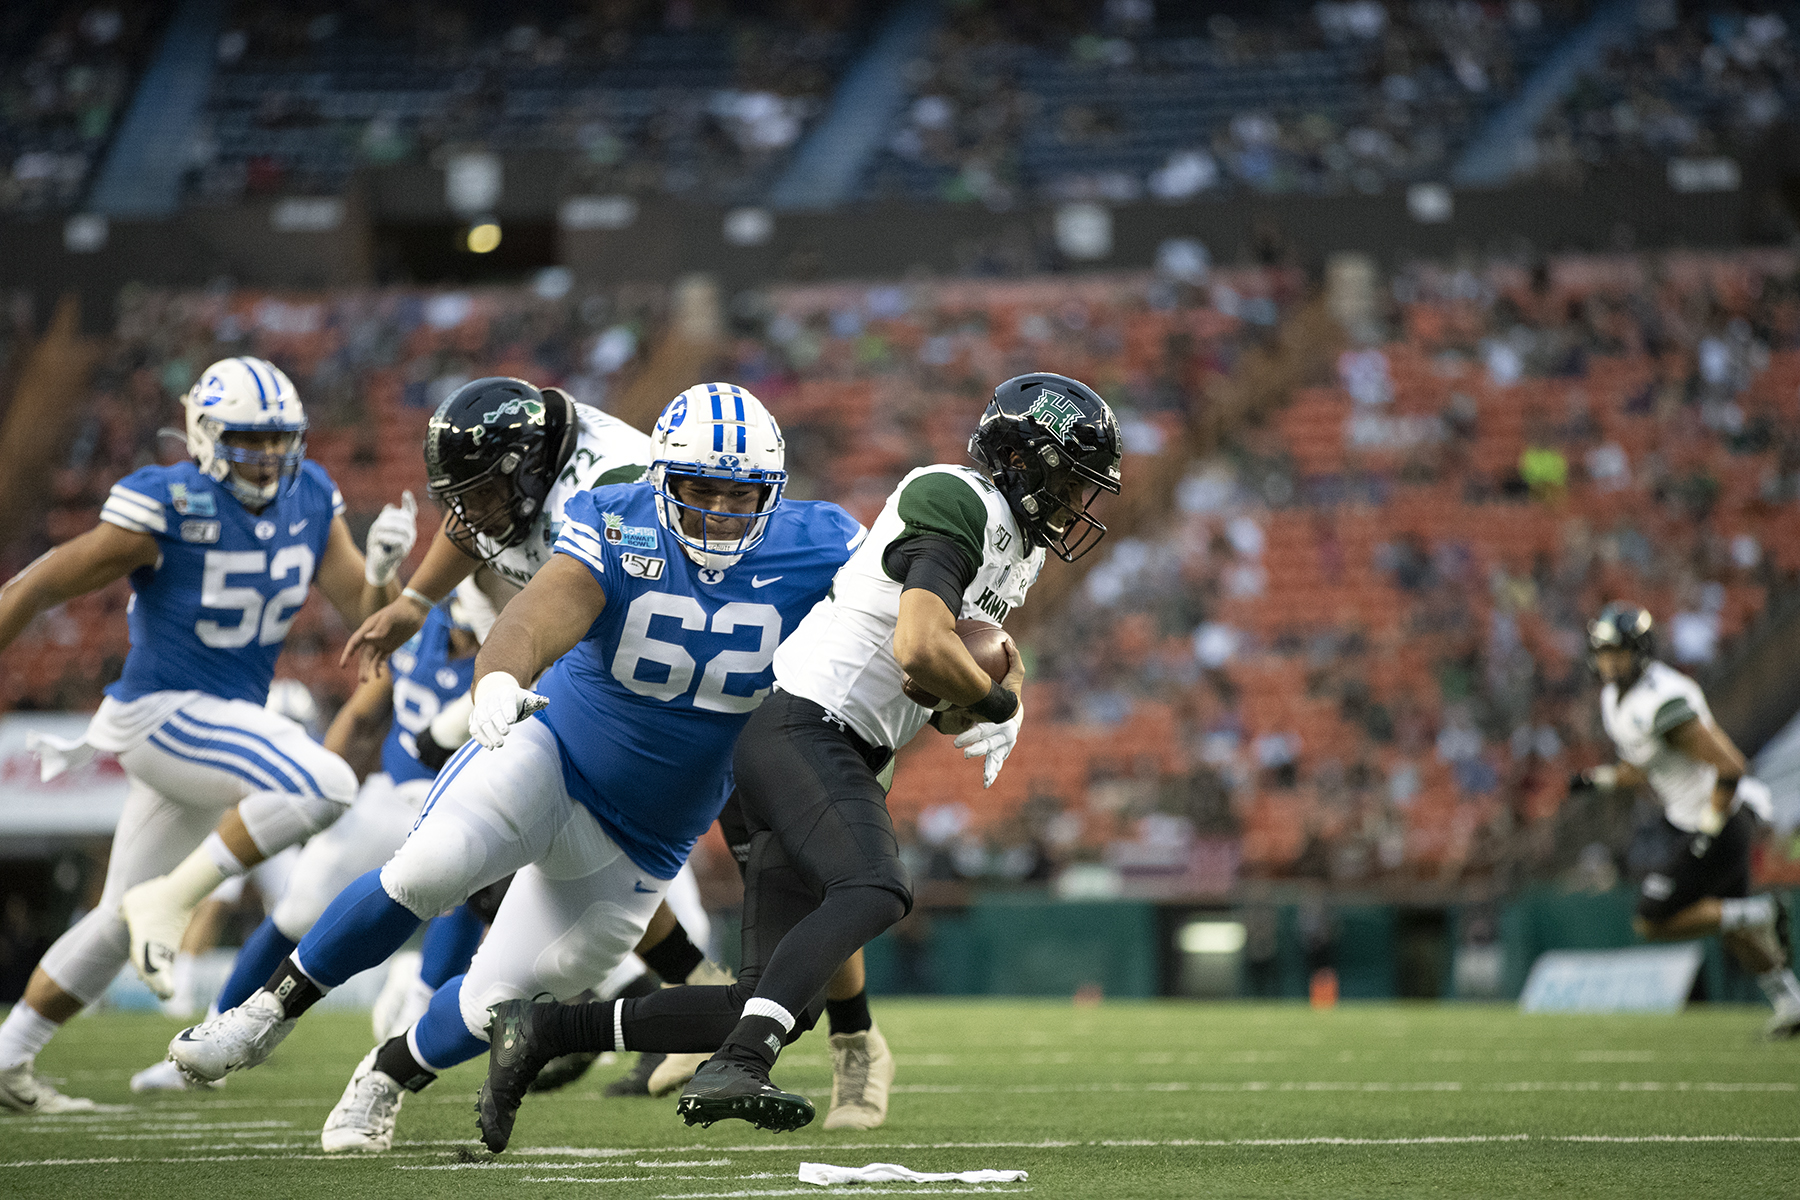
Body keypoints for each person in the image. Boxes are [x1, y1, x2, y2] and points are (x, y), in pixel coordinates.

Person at [165, 384, 866, 1157]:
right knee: (431, 870)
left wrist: (979, 676)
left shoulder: (827, 542)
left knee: (501, 998)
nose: (719, 512)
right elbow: (536, 613)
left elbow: (902, 624)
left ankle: (383, 1075)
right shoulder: (614, 513)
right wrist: (500, 676)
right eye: (699, 489)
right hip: (555, 752)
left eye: (742, 494)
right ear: (660, 479)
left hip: (648, 837)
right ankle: (263, 1014)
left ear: (774, 491)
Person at [474, 371, 1123, 1145]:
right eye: (1071, 482)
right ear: (1027, 462)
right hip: (803, 728)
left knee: (775, 995)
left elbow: (927, 687)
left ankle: (542, 1033)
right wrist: (1000, 701)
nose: (1078, 505)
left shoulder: (1018, 551)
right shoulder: (956, 499)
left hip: (829, 742)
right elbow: (919, 643)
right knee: (876, 887)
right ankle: (741, 1062)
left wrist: (981, 693)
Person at [0, 357, 400, 1113]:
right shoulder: (169, 499)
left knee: (117, 919)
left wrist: (384, 575)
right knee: (325, 782)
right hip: (162, 712)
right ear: (206, 435)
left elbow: (368, 623)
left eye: (282, 441)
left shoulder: (312, 496)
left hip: (214, 722)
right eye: (251, 441)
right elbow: (41, 582)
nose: (271, 458)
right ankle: (173, 902)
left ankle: (7, 1056)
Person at [129, 585, 485, 1093]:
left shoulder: (513, 642)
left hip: (465, 800)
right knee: (297, 912)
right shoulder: (422, 632)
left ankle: (408, 1036)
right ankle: (212, 1033)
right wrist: (325, 791)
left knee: (469, 898)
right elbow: (362, 715)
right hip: (390, 796)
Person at [1573, 602, 1800, 1038]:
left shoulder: (1662, 699)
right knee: (1728, 926)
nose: (1609, 661)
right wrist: (1595, 781)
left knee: (1652, 917)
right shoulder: (1614, 699)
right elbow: (1644, 765)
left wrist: (1709, 829)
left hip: (1721, 815)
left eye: (1618, 651)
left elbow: (1731, 767)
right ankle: (1791, 1002)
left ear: (1639, 652)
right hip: (1693, 817)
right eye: (1603, 652)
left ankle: (1760, 911)